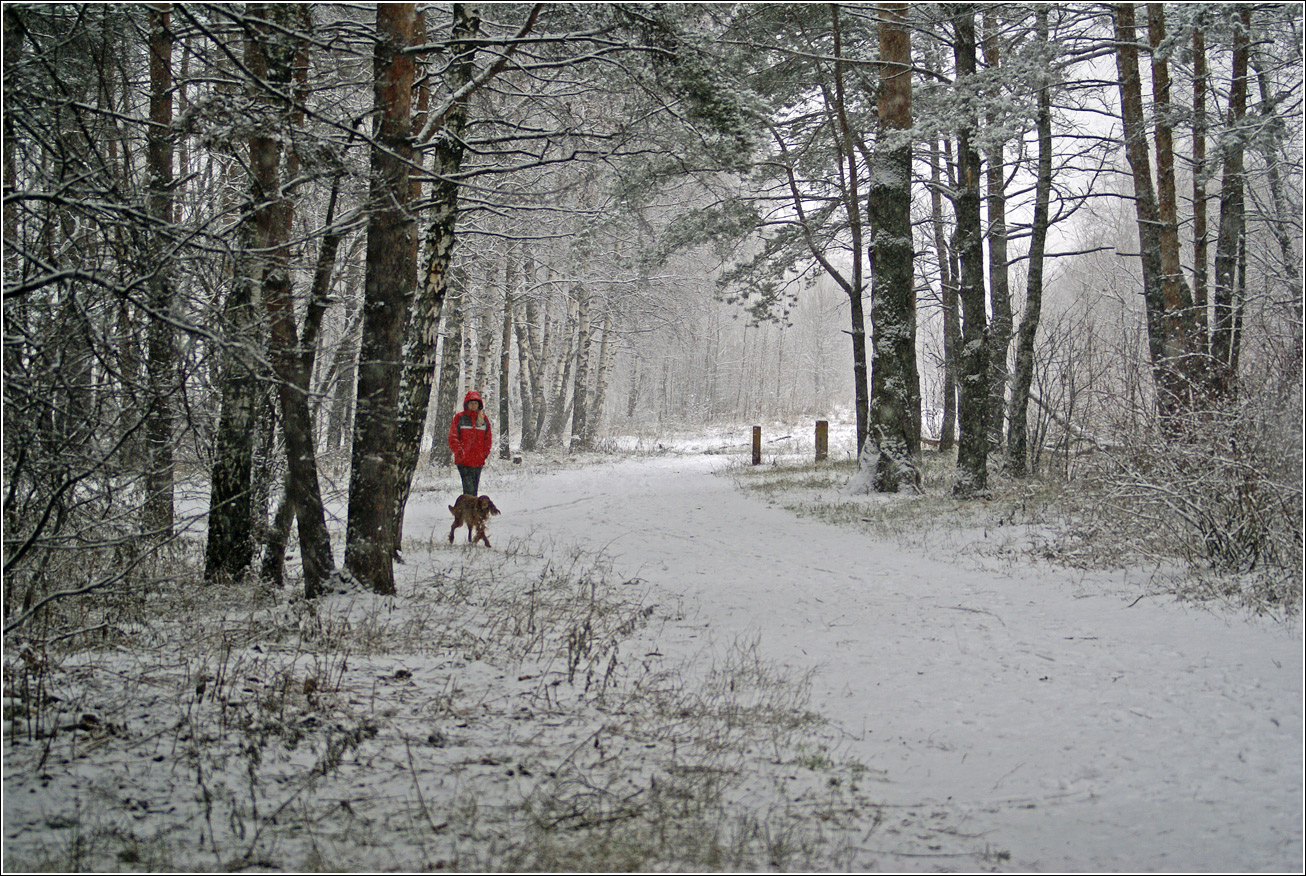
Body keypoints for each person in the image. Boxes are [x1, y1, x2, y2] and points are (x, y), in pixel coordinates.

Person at [448, 390, 492, 496]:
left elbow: (488, 439)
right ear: (467, 404)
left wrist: (484, 454)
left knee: (474, 490)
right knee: (468, 490)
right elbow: (453, 437)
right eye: (471, 403)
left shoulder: (484, 419)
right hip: (463, 461)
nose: (473, 405)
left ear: (479, 405)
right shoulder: (459, 418)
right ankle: (468, 511)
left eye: (475, 403)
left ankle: (472, 511)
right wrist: (459, 452)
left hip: (478, 460)